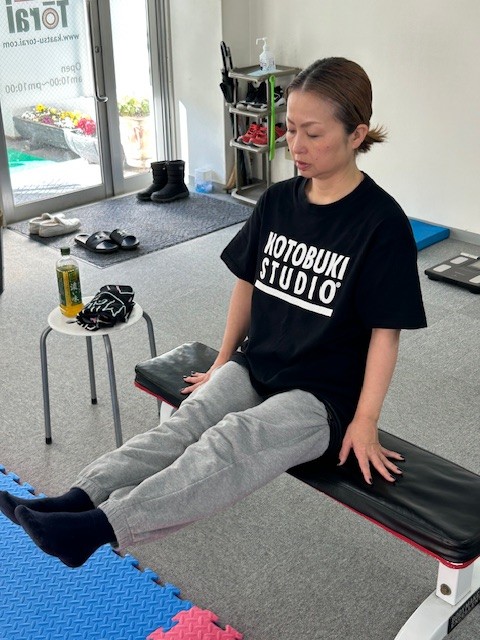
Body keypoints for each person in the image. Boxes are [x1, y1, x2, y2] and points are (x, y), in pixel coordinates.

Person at [0, 57, 426, 568]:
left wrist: (365, 420)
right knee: (188, 422)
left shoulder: (382, 224)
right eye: (290, 129)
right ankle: (76, 499)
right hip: (259, 363)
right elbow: (247, 283)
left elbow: (385, 333)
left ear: (356, 134)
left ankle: (98, 528)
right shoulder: (279, 200)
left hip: (321, 396)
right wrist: (224, 361)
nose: (295, 145)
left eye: (313, 133)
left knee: (233, 441)